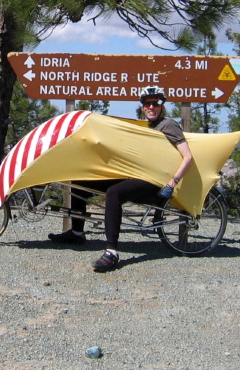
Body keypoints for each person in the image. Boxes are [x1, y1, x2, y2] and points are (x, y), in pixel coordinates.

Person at [48, 85, 195, 272]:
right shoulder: (149, 127)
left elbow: (188, 157)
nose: (151, 107)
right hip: (136, 175)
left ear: (162, 105)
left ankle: (111, 252)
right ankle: (77, 233)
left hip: (154, 181)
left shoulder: (168, 125)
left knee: (114, 193)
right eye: (147, 104)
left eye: (155, 103)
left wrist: (173, 182)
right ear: (143, 106)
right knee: (79, 183)